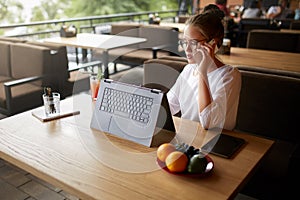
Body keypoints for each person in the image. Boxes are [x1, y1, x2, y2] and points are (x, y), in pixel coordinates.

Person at [167, 11, 241, 131]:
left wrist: (203, 71)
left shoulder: (230, 76)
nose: (187, 49)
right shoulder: (188, 70)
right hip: (189, 137)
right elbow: (170, 105)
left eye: (194, 43)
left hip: (216, 142)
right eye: (185, 42)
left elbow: (208, 122)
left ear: (212, 43)